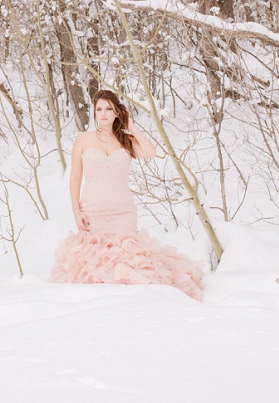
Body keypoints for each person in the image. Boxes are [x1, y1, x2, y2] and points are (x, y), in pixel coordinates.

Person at [50, 90, 204, 300]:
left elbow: (150, 152)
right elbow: (75, 177)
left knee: (128, 264)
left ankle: (130, 305)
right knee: (94, 264)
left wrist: (129, 124)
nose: (103, 114)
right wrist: (76, 210)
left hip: (123, 212)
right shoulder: (83, 139)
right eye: (99, 109)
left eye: (108, 109)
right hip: (92, 211)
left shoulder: (126, 140)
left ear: (117, 112)